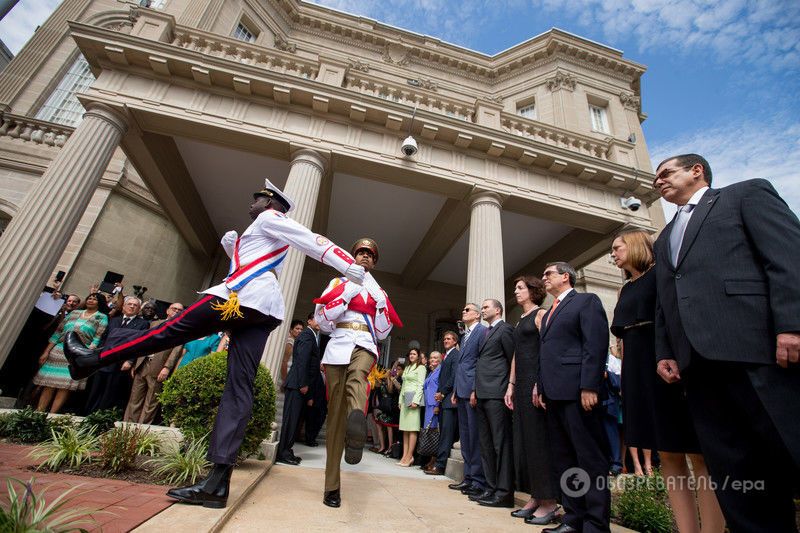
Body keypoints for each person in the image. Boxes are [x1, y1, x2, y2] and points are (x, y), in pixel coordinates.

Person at [64, 179, 365, 509]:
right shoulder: (260, 232)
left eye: (258, 197)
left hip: (241, 300)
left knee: (168, 331)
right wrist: (232, 250)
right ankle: (217, 483)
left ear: (271, 204)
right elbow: (254, 263)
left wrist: (350, 266)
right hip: (261, 309)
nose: (252, 201)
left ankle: (92, 359)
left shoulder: (271, 218)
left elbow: (311, 240)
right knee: (239, 387)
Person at [653, 154, 800, 532]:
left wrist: (793, 324)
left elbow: (787, 257)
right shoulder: (665, 237)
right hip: (697, 368)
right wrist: (665, 351)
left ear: (696, 170)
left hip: (757, 352)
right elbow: (666, 301)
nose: (658, 182)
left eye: (666, 173)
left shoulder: (745, 195)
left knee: (787, 451)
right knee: (736, 475)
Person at [611, 230, 723, 532]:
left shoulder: (662, 275)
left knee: (697, 454)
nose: (612, 254)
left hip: (666, 363)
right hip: (636, 368)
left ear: (635, 246)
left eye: (617, 248)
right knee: (668, 453)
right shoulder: (625, 288)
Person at [313, 237, 401, 508]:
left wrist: (381, 305)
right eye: (361, 253)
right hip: (339, 344)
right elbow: (324, 322)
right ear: (353, 257)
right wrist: (348, 294)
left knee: (359, 377)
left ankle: (357, 417)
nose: (365, 257)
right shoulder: (337, 284)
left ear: (374, 262)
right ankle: (332, 487)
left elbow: (384, 331)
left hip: (364, 344)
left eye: (370, 254)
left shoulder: (378, 291)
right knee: (335, 420)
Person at [535, 262, 610, 533]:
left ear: (565, 277)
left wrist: (589, 385)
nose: (544, 278)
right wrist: (541, 386)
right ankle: (573, 519)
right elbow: (547, 352)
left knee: (589, 458)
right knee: (564, 459)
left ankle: (596, 524)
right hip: (554, 395)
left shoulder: (586, 301)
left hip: (579, 392)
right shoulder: (550, 311)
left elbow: (595, 344)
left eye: (548, 274)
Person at [507, 276, 558, 524]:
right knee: (526, 443)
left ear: (533, 291)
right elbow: (517, 354)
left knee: (539, 442)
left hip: (536, 384)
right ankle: (535, 497)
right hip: (521, 384)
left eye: (520, 288)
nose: (516, 291)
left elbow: (547, 349)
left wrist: (540, 382)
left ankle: (549, 502)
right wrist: (510, 384)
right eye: (516, 288)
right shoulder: (520, 320)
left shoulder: (541, 315)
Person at [470, 298, 515, 508]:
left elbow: (510, 360)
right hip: (481, 393)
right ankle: (490, 487)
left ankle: (504, 492)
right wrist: (475, 390)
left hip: (497, 393)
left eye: (486, 306)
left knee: (500, 444)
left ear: (498, 310)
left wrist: (509, 388)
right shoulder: (484, 332)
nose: (483, 309)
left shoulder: (505, 330)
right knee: (485, 444)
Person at [33, 293, 108, 413]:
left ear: (100, 302)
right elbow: (58, 333)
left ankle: (52, 415)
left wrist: (86, 354)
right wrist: (46, 351)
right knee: (49, 384)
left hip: (77, 354)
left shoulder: (101, 317)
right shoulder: (74, 313)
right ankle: (39, 412)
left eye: (95, 299)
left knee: (65, 386)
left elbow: (97, 338)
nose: (91, 300)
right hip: (58, 351)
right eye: (89, 298)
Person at [84, 296, 150, 416]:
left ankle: (102, 417)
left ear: (139, 309)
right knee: (95, 390)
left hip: (121, 363)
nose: (132, 306)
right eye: (129, 304)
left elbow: (139, 344)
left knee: (110, 392)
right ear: (124, 306)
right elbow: (104, 338)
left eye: (135, 305)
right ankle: (88, 414)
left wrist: (130, 361)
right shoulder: (114, 320)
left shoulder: (143, 324)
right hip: (104, 360)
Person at [123, 302, 185, 425]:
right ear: (167, 310)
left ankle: (141, 429)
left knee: (151, 401)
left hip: (159, 366)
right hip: (143, 363)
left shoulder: (181, 327)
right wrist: (135, 363)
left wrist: (167, 367)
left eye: (180, 310)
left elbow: (176, 350)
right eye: (174, 309)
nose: (176, 312)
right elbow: (143, 343)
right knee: (135, 398)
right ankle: (127, 426)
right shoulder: (154, 324)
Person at [448, 303, 487, 497]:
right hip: (460, 389)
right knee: (465, 436)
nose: (463, 312)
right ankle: (468, 477)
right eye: (463, 309)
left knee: (474, 436)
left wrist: (475, 389)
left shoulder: (482, 331)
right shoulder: (464, 336)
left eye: (467, 310)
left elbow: (481, 362)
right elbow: (462, 365)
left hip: (472, 390)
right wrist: (455, 390)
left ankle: (478, 480)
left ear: (478, 314)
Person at [276, 312, 320, 466]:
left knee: (294, 421)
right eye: (318, 318)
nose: (322, 321)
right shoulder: (307, 335)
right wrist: (303, 384)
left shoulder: (311, 335)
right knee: (290, 420)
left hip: (299, 385)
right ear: (310, 321)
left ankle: (287, 450)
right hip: (296, 385)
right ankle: (283, 453)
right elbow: (302, 361)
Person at [427, 331, 459, 476]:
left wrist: (443, 392)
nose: (446, 340)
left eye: (449, 339)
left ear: (455, 341)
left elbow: (453, 377)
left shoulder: (455, 355)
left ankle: (440, 466)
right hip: (443, 401)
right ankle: (437, 462)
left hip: (449, 400)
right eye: (444, 338)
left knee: (446, 434)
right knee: (443, 434)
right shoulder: (445, 357)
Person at [397, 348, 425, 467]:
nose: (412, 356)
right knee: (405, 428)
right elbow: (403, 385)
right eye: (410, 354)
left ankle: (409, 456)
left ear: (418, 356)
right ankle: (404, 456)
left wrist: (416, 401)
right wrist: (400, 400)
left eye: (414, 354)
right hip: (405, 398)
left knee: (412, 428)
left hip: (413, 397)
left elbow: (420, 385)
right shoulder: (407, 368)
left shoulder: (421, 368)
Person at [420, 351, 442, 471]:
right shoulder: (431, 372)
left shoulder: (440, 371)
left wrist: (437, 405)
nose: (433, 359)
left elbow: (439, 389)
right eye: (431, 357)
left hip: (434, 405)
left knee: (434, 433)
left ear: (440, 359)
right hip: (428, 405)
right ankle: (430, 459)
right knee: (428, 433)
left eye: (436, 357)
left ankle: (434, 461)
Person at [280, 319, 304, 386]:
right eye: (297, 328)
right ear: (291, 330)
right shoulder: (290, 342)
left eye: (301, 329)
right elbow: (284, 362)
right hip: (285, 375)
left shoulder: (296, 342)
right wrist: (284, 381)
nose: (299, 331)